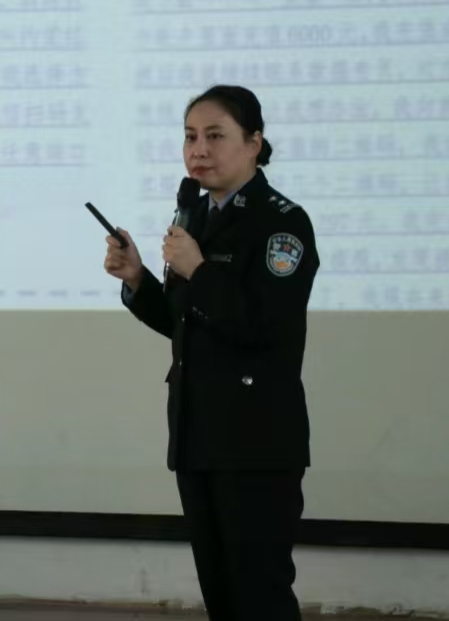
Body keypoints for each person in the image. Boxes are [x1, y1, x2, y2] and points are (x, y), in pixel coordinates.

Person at [104, 85, 319, 621]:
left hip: (255, 441)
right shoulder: (195, 216)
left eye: (215, 136)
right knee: (221, 595)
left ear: (254, 143)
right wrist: (138, 279)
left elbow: (262, 326)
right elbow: (187, 323)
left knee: (260, 595)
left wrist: (198, 269)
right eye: (190, 137)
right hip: (198, 434)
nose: (198, 150)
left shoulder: (282, 223)